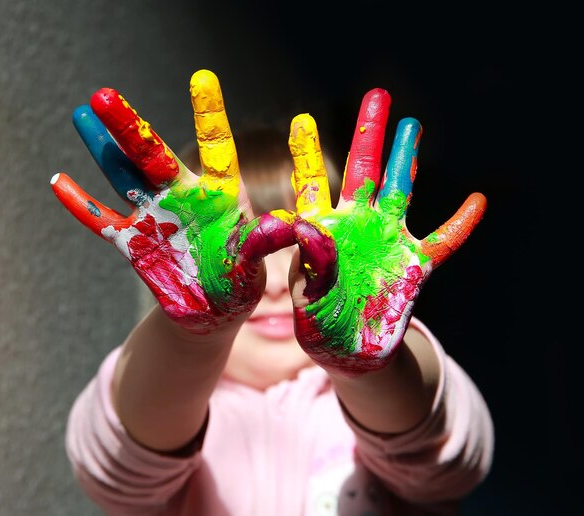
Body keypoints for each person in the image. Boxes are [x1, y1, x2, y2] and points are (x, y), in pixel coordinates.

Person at [52, 69, 494, 515]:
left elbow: (451, 462)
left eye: (306, 244)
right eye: (247, 248)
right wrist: (193, 334)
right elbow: (115, 470)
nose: (282, 280)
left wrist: (370, 370)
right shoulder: (173, 402)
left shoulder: (379, 412)